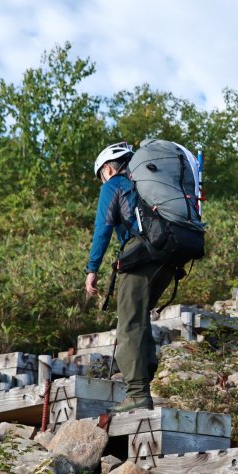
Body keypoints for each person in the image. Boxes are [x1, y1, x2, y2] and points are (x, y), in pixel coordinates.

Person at [84, 142, 174, 413]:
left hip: (141, 254)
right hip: (169, 257)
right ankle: (144, 382)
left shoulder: (114, 185)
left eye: (101, 175)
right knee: (139, 316)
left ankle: (137, 394)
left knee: (128, 323)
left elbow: (103, 228)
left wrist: (92, 269)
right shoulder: (150, 186)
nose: (103, 180)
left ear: (109, 169)